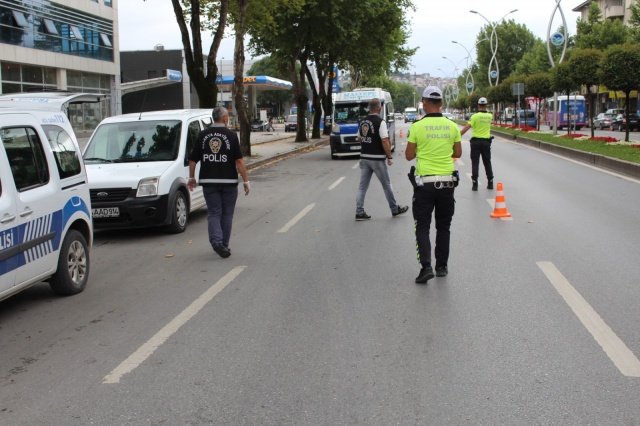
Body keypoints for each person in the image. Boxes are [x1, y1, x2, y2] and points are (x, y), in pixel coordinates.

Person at [406, 86, 462, 284]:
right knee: (444, 227)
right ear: (441, 103)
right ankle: (442, 267)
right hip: (447, 183)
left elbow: (409, 155)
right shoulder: (452, 126)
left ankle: (426, 267)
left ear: (424, 103)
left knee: (422, 226)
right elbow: (458, 153)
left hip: (425, 185)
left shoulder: (417, 126)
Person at [188, 106, 250, 258]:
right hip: (229, 182)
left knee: (214, 212)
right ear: (224, 118)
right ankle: (223, 245)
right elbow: (239, 161)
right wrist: (246, 181)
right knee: (227, 214)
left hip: (209, 182)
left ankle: (217, 241)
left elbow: (193, 160)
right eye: (227, 116)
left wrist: (191, 177)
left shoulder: (203, 135)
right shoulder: (231, 136)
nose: (228, 118)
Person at [355, 98, 408, 221]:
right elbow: (384, 140)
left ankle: (359, 212)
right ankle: (394, 209)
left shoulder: (363, 121)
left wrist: (367, 144)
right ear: (380, 108)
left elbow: (359, 138)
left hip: (364, 158)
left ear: (369, 108)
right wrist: (389, 156)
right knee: (386, 185)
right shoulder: (380, 122)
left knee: (362, 187)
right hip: (377, 159)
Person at [460, 97, 494, 191]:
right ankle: (490, 182)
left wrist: (458, 135)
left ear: (478, 105)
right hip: (486, 142)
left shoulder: (474, 116)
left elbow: (467, 127)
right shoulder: (490, 116)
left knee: (475, 162)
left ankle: (475, 184)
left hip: (475, 143)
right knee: (487, 162)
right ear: (486, 105)